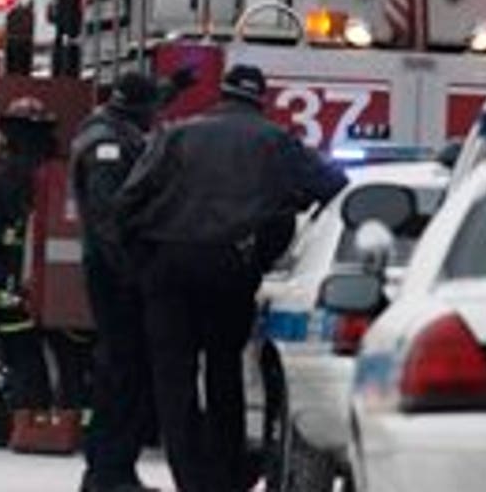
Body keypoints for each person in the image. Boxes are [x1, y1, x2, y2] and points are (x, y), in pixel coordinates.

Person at [116, 64, 346, 492]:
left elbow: (127, 200)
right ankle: (224, 474)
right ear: (261, 100)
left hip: (169, 266)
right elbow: (334, 185)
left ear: (220, 95)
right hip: (230, 267)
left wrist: (142, 263)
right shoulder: (275, 141)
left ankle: (190, 478)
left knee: (174, 377)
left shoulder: (177, 133)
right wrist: (275, 228)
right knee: (225, 371)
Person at [73, 72, 176, 492]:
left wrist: (176, 85)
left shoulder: (108, 125)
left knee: (125, 371)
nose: (157, 117)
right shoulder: (109, 146)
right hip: (114, 272)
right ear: (137, 108)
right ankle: (108, 473)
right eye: (153, 109)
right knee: (123, 372)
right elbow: (107, 218)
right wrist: (132, 271)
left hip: (114, 268)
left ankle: (113, 470)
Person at [0, 97, 89, 453]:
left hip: (10, 285)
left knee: (22, 356)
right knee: (70, 358)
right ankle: (73, 424)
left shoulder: (1, 175)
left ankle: (28, 422)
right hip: (59, 289)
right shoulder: (62, 173)